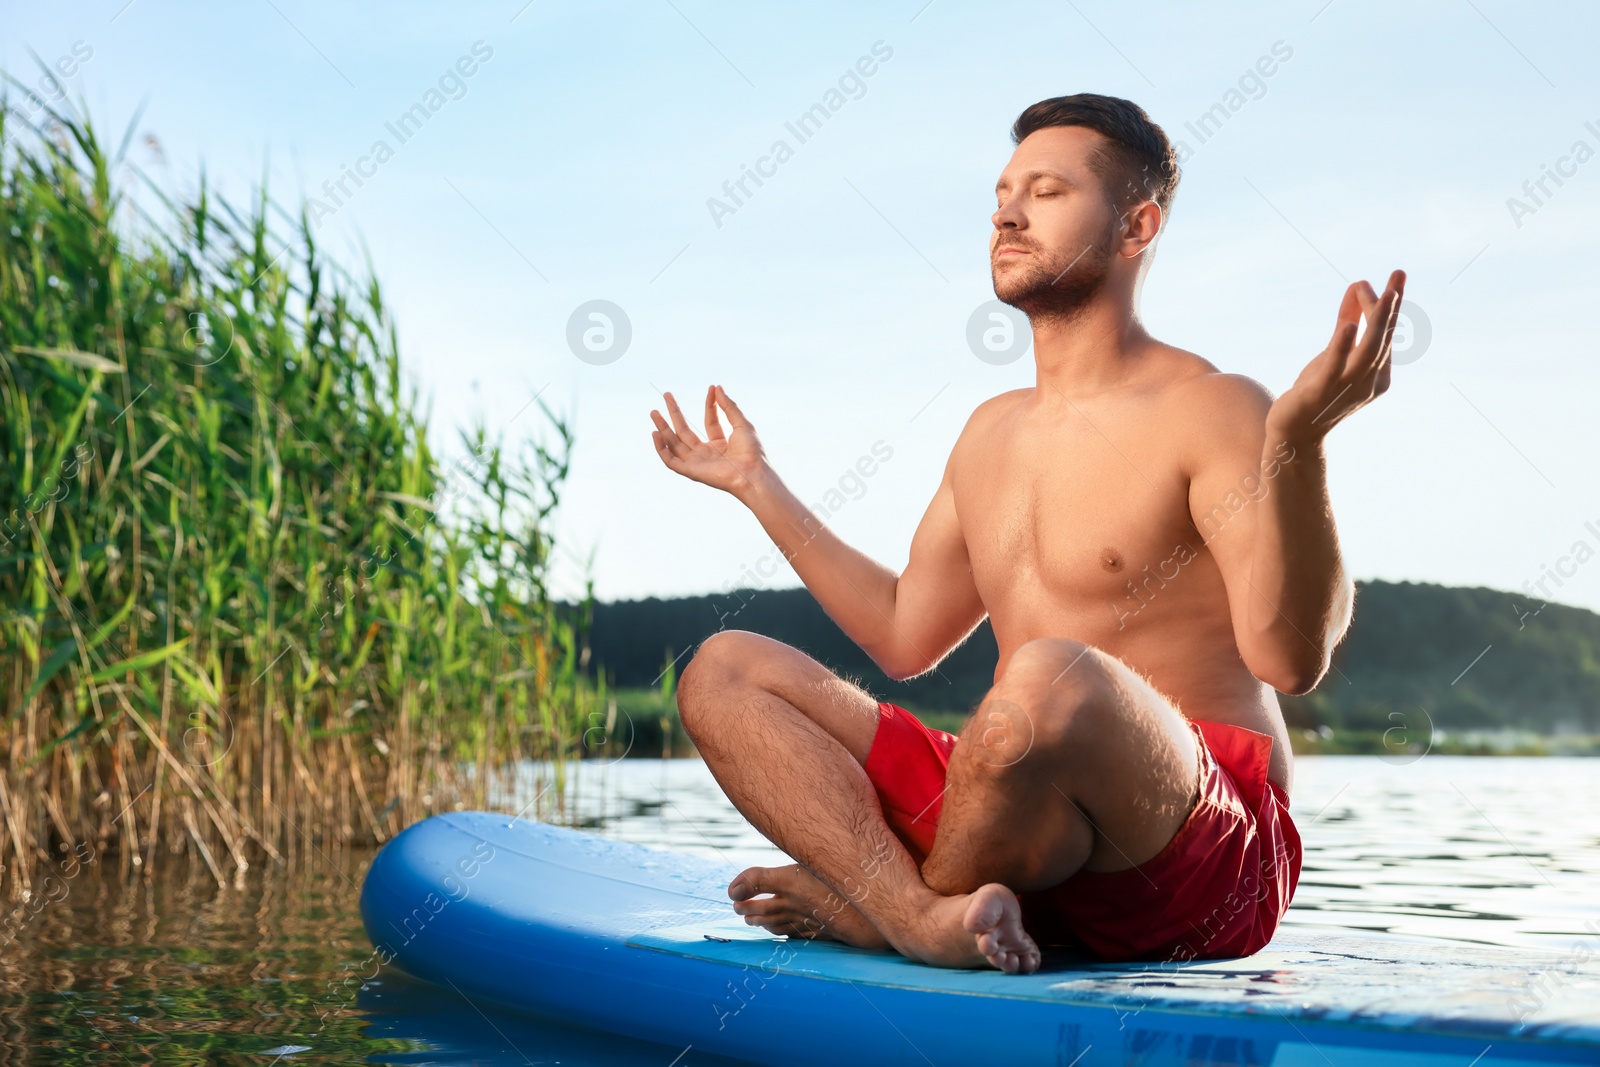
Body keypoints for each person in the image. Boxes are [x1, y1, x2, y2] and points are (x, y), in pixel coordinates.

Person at [648, 92, 1404, 975]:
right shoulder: (988, 433)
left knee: (1049, 672)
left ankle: (887, 908)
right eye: (1003, 194)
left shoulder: (1216, 408)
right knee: (723, 668)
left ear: (1136, 226)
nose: (1007, 212)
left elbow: (1290, 658)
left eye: (1046, 191)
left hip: (1196, 849)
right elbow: (902, 635)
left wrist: (1301, 444)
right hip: (1015, 817)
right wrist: (755, 482)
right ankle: (917, 915)